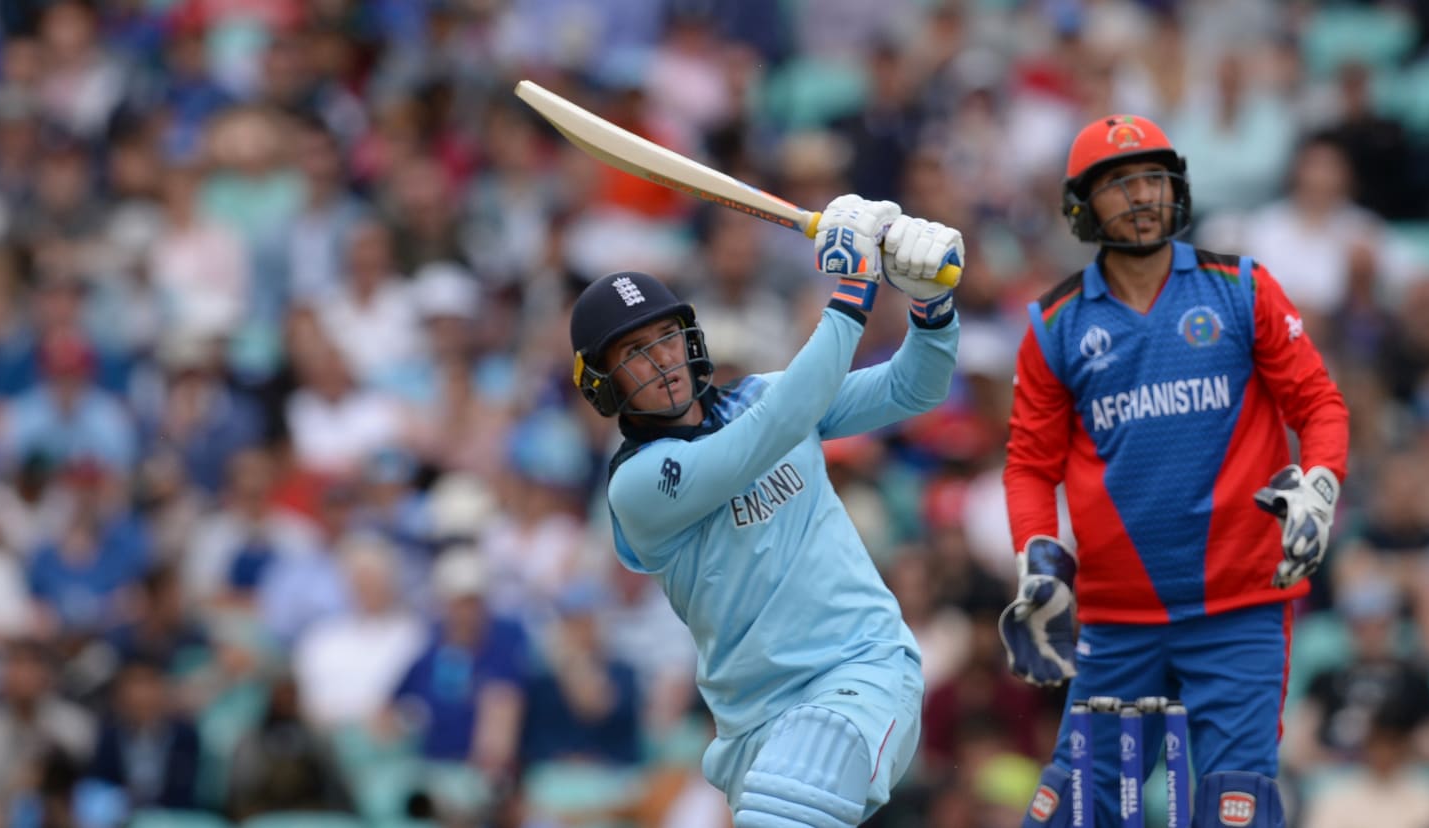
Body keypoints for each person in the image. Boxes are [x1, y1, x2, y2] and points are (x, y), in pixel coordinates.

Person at [1002, 114, 1349, 828]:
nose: (1140, 196)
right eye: (1119, 184)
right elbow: (1029, 468)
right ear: (1081, 207)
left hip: (1239, 609)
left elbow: (1319, 406)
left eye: (1153, 179)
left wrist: (1320, 483)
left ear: (1177, 188)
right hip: (1114, 620)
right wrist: (1037, 559)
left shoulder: (1242, 288)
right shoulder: (1054, 325)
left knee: (1235, 809)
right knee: (1066, 812)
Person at [573, 194, 964, 828]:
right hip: (753, 724)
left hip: (858, 671)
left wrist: (930, 306)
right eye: (634, 353)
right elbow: (767, 435)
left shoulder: (765, 394)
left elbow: (914, 385)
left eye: (666, 339)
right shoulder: (637, 484)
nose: (661, 361)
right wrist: (854, 288)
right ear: (604, 382)